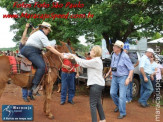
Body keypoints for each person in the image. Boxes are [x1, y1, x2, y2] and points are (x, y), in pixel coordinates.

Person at [21, 22, 64, 95]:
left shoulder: (38, 34)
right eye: (48, 30)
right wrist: (60, 54)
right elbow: (49, 47)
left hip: (32, 50)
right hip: (31, 51)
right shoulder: (41, 35)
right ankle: (34, 86)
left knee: (41, 64)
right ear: (44, 28)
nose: (48, 32)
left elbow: (47, 45)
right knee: (42, 66)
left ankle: (34, 81)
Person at [68, 46, 106, 122]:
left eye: (91, 51)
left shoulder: (95, 61)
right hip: (98, 84)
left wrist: (74, 56)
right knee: (98, 102)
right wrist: (74, 57)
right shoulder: (96, 60)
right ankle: (102, 119)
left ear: (95, 53)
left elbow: (83, 63)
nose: (90, 52)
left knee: (92, 105)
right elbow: (84, 61)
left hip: (96, 85)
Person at [105, 40, 134, 119]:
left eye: (115, 46)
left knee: (122, 96)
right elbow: (112, 66)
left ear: (119, 48)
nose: (113, 47)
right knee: (112, 93)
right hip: (114, 77)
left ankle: (122, 112)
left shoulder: (125, 56)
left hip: (123, 77)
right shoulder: (114, 54)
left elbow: (131, 69)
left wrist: (128, 78)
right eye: (114, 46)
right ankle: (119, 105)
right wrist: (108, 73)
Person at [19, 23, 35, 102]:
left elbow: (34, 34)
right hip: (24, 61)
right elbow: (23, 36)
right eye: (25, 39)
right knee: (25, 80)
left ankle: (30, 94)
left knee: (33, 79)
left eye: (27, 39)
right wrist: (26, 28)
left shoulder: (30, 44)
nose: (26, 39)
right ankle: (24, 96)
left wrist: (32, 28)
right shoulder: (22, 44)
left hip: (31, 61)